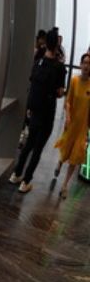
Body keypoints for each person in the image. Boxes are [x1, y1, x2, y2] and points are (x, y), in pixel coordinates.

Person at [10, 28, 66, 193]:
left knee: (28, 145)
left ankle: (16, 174)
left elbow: (32, 85)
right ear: (56, 45)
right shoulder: (59, 68)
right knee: (38, 149)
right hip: (47, 113)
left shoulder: (38, 62)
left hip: (34, 111)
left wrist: (30, 108)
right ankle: (26, 181)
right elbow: (60, 92)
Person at [52, 53, 90, 199]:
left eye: (89, 63)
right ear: (80, 64)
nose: (86, 66)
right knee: (66, 150)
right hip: (72, 124)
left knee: (75, 157)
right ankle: (59, 164)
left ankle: (64, 186)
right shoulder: (74, 81)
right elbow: (68, 101)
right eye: (84, 62)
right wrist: (67, 116)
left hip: (83, 127)